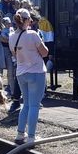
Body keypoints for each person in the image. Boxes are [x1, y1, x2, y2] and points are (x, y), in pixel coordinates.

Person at [11, 8, 49, 144]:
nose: (31, 21)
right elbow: (44, 52)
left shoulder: (11, 36)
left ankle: (20, 134)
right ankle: (31, 136)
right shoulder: (33, 34)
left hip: (21, 73)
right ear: (26, 20)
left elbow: (15, 54)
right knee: (34, 106)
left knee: (26, 104)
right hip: (36, 72)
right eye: (30, 19)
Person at [37, 7, 58, 89]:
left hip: (42, 50)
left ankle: (43, 89)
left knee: (41, 71)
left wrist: (50, 53)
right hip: (35, 51)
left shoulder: (45, 23)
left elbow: (50, 39)